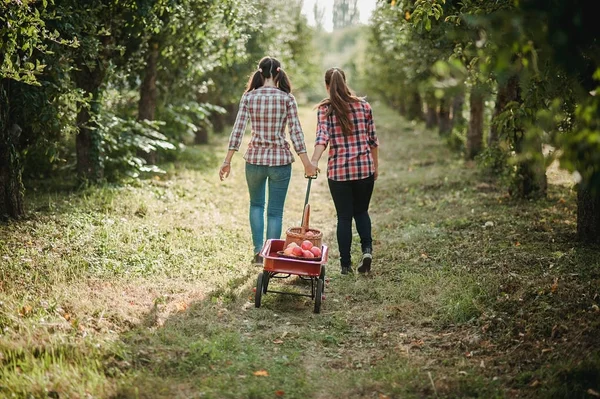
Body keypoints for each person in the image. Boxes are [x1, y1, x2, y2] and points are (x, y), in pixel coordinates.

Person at [219, 56, 317, 265]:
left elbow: (238, 130)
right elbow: (296, 133)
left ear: (260, 72)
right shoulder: (287, 98)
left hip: (254, 160)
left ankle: (257, 252)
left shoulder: (249, 97)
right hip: (280, 162)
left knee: (256, 205)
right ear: (278, 72)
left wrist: (227, 160)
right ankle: (269, 254)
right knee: (274, 212)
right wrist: (307, 163)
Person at [310, 67, 379, 275]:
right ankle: (367, 251)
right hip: (364, 169)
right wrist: (374, 167)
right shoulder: (363, 106)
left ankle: (345, 265)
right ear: (345, 82)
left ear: (327, 85)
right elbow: (373, 141)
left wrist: (313, 161)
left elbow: (322, 138)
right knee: (361, 212)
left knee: (344, 217)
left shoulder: (326, 110)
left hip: (339, 172)